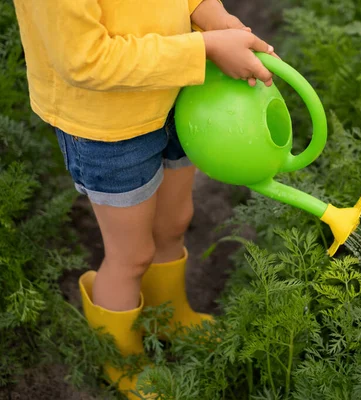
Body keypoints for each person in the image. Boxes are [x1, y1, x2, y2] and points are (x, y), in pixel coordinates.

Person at [12, 0, 277, 397]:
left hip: (176, 91)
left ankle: (168, 317)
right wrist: (205, 48)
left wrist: (211, 15)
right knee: (130, 255)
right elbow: (85, 60)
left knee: (173, 223)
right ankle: (121, 358)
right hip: (109, 127)